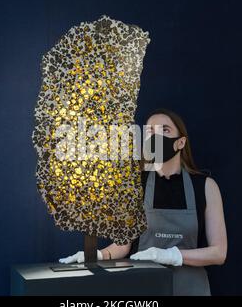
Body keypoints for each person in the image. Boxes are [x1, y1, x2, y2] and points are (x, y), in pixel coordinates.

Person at [59, 108, 227, 296]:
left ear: (181, 142)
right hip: (143, 289)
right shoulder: (134, 185)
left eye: (164, 130)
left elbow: (219, 253)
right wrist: (96, 256)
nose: (156, 137)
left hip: (190, 288)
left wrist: (172, 255)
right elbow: (123, 246)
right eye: (150, 132)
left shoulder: (206, 186)